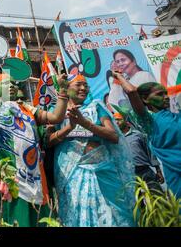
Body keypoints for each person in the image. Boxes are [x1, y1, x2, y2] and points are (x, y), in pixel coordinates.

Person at [0, 51, 69, 227]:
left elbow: (56, 118)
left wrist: (63, 92)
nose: (11, 86)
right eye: (5, 83)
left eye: (13, 84)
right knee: (1, 218)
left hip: (30, 177)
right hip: (1, 178)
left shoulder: (29, 110)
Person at [47, 73, 135, 227]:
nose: (83, 88)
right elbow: (48, 141)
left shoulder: (96, 106)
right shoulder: (56, 110)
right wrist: (69, 128)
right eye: (78, 85)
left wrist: (85, 123)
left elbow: (113, 136)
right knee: (77, 215)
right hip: (72, 172)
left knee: (113, 214)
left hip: (102, 170)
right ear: (66, 88)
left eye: (86, 85)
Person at [113, 71, 181, 198]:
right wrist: (119, 77)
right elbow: (132, 92)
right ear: (145, 99)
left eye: (166, 93)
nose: (166, 97)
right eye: (160, 94)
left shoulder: (177, 116)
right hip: (176, 174)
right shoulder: (148, 121)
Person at [113, 112, 164, 192]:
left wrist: (158, 170)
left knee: (156, 194)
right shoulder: (115, 139)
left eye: (119, 119)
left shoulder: (138, 135)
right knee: (136, 200)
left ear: (127, 122)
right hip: (128, 174)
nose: (116, 122)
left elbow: (150, 152)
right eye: (114, 120)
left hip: (144, 171)